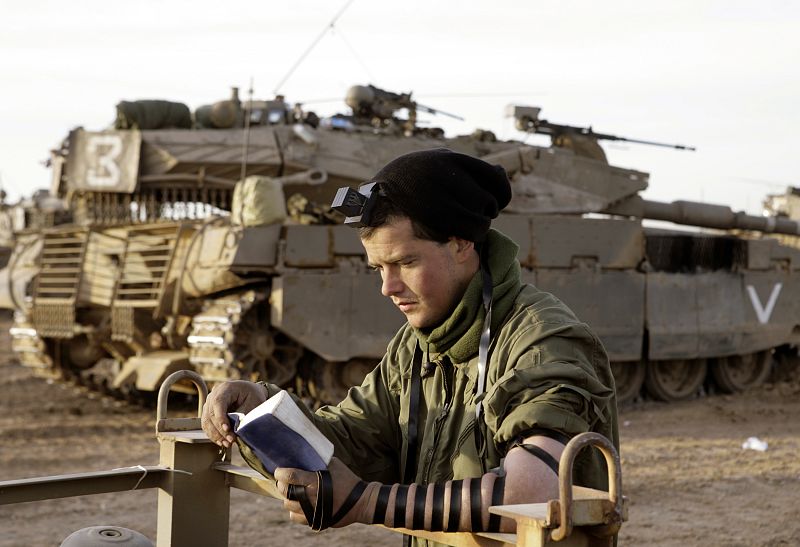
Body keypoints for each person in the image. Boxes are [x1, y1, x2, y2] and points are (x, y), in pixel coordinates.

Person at [202, 148, 618, 542]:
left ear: (461, 244)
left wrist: (368, 502)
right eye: (379, 268)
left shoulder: (543, 341)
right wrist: (259, 407)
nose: (387, 287)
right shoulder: (417, 344)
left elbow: (532, 493)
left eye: (405, 262)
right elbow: (353, 440)